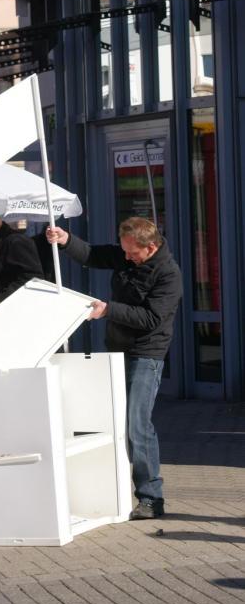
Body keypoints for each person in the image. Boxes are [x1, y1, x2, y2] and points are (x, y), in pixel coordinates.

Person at [46, 217, 182, 520]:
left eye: (132, 253)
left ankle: (151, 497)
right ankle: (111, 491)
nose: (127, 257)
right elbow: (93, 255)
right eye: (124, 251)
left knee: (137, 424)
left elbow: (151, 319)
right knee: (110, 422)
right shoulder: (126, 254)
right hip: (116, 349)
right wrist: (66, 240)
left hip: (146, 354)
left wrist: (109, 310)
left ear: (150, 247)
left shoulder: (168, 274)